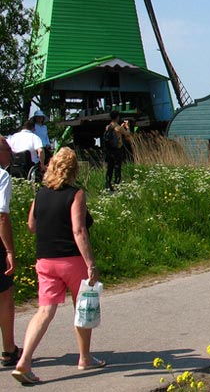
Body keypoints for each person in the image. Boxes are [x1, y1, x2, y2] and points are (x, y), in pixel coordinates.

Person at [13, 148, 104, 385]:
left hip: (45, 260)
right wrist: (91, 263)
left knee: (44, 311)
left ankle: (24, 361)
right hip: (71, 260)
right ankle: (84, 357)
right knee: (81, 306)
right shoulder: (76, 194)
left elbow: (31, 225)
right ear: (73, 169)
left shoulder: (40, 193)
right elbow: (79, 230)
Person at [0, 166, 20, 369]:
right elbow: (2, 215)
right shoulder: (2, 175)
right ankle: (8, 349)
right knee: (4, 295)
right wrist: (9, 251)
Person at [103, 111, 128, 191]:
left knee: (109, 167)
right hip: (117, 150)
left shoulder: (108, 127)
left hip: (109, 150)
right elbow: (127, 134)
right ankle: (117, 184)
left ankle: (108, 183)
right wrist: (127, 127)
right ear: (117, 117)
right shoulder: (119, 128)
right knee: (117, 167)